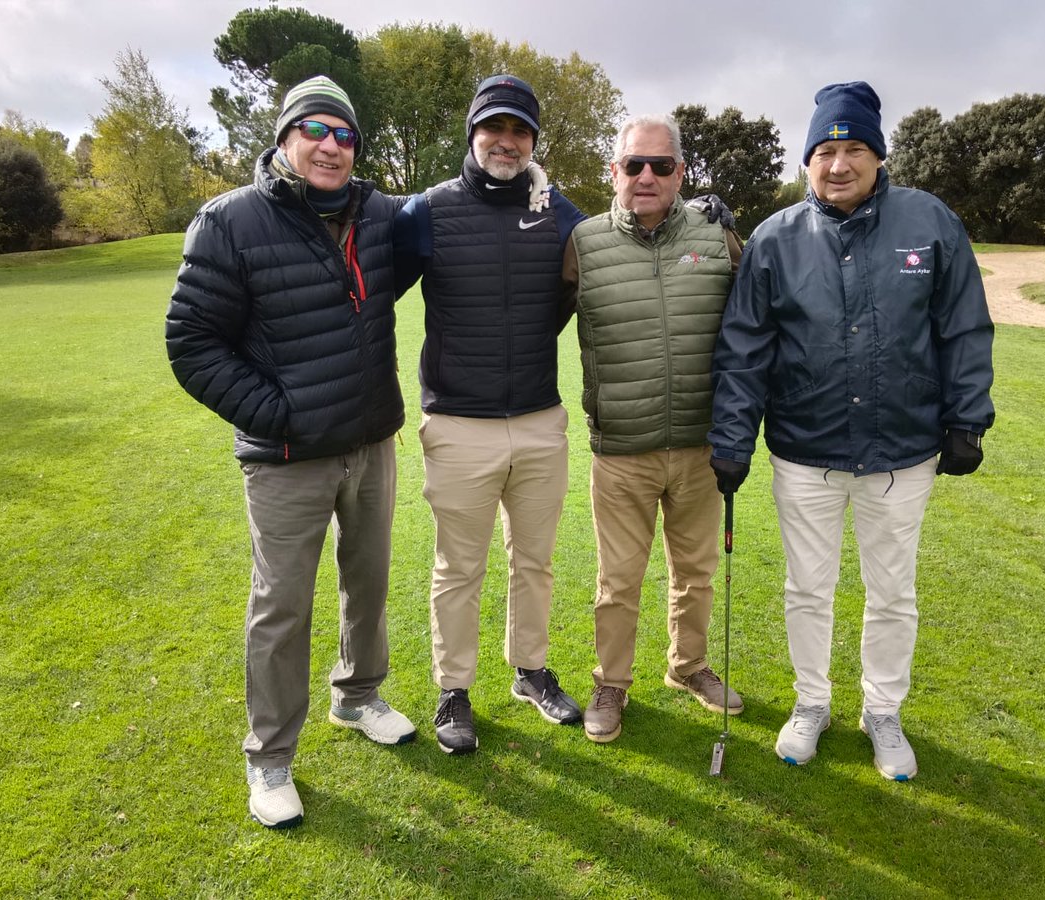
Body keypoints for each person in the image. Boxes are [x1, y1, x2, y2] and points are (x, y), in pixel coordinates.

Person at [708, 81, 994, 781]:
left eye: (854, 148)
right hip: (806, 452)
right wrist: (732, 438)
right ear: (808, 159)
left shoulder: (928, 222)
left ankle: (883, 711)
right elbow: (745, 349)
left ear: (878, 155)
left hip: (901, 451)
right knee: (807, 589)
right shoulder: (775, 238)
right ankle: (812, 704)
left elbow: (962, 326)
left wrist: (967, 418)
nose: (839, 164)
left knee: (892, 591)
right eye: (825, 150)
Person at [165, 76, 419, 829]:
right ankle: (270, 757)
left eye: (345, 135)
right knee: (281, 608)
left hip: (370, 442)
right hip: (285, 456)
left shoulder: (378, 215)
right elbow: (191, 343)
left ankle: (359, 696)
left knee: (367, 582)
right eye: (315, 129)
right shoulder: (229, 222)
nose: (331, 146)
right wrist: (278, 417)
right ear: (283, 140)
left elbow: (468, 203)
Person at [396, 75, 588, 754]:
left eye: (519, 131)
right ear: (473, 135)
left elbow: (612, 255)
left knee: (534, 562)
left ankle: (530, 671)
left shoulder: (561, 212)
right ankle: (454, 688)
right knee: (459, 568)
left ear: (533, 140)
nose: (506, 142)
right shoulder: (428, 210)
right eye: (494, 128)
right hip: (458, 424)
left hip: (540, 420)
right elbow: (364, 273)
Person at [562, 114, 744, 743]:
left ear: (681, 173)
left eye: (660, 165)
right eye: (633, 165)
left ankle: (688, 667)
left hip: (702, 446)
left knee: (695, 570)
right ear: (613, 172)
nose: (646, 176)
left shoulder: (718, 235)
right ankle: (611, 682)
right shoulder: (582, 242)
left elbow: (763, 311)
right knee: (619, 579)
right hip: (622, 449)